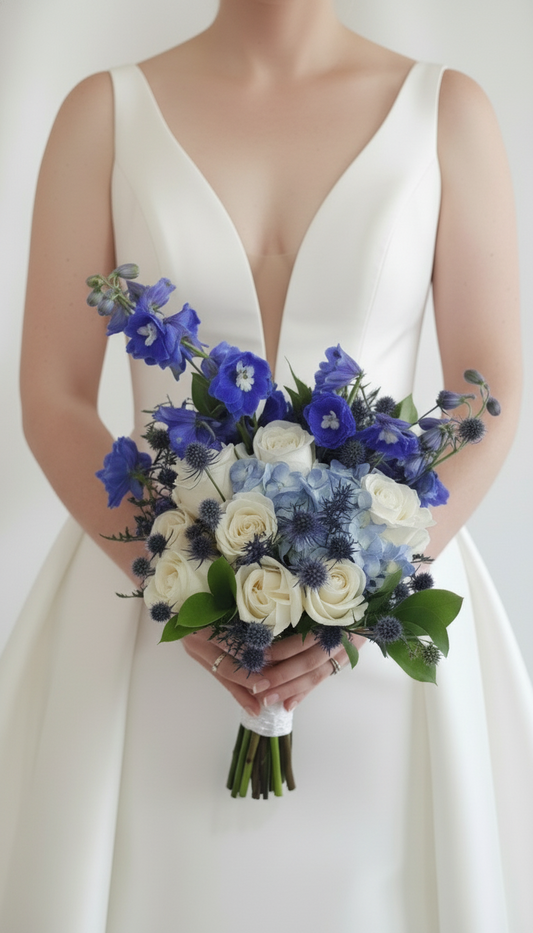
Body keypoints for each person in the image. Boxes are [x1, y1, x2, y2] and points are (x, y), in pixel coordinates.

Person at [1, 1, 531, 930]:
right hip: (152, 626)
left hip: (376, 649)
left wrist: (364, 594)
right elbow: (52, 393)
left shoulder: (447, 111)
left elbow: (484, 393)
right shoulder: (104, 114)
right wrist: (173, 579)